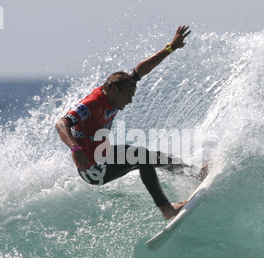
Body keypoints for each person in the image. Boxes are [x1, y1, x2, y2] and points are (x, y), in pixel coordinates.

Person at [56, 26, 192, 220]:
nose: (130, 101)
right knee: (142, 156)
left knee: (152, 156)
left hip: (103, 154)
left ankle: (194, 173)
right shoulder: (91, 105)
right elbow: (61, 123)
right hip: (93, 170)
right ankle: (167, 209)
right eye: (128, 95)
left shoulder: (117, 90)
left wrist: (170, 48)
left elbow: (139, 70)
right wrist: (75, 148)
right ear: (113, 89)